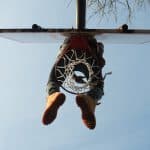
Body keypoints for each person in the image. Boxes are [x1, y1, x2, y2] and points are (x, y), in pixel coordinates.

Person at [42, 35, 105, 130]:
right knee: (98, 86)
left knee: (53, 80)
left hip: (68, 52)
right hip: (89, 56)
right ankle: (90, 100)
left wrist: (74, 76)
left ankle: (53, 95)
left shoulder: (68, 40)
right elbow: (100, 52)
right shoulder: (97, 45)